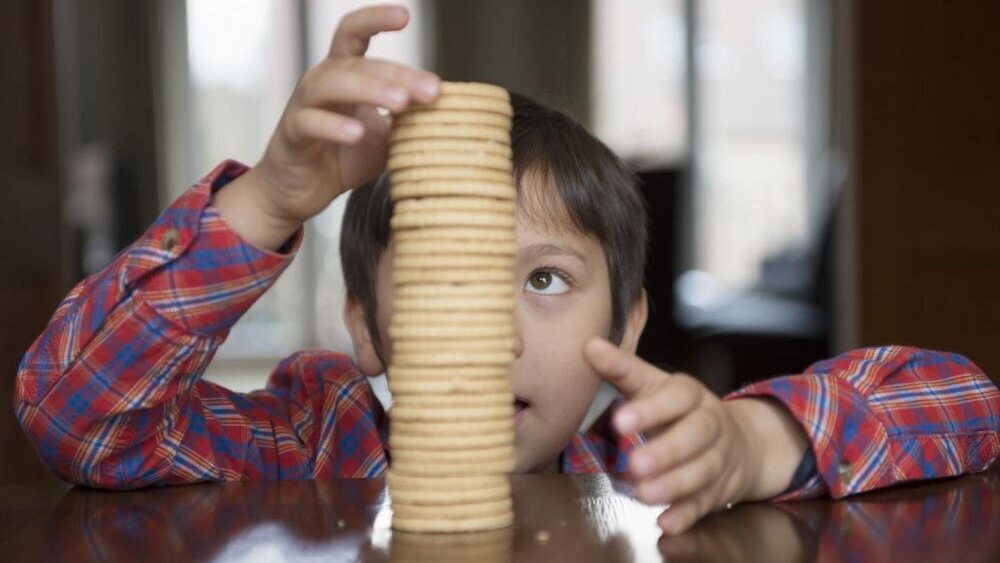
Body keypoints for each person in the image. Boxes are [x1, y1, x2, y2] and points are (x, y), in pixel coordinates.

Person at [14, 5, 999, 536]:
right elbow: (75, 415)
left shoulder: (651, 468)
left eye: (544, 280)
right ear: (364, 326)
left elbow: (965, 399)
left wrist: (754, 440)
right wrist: (267, 200)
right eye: (449, 278)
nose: (487, 333)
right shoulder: (308, 448)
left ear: (630, 322)